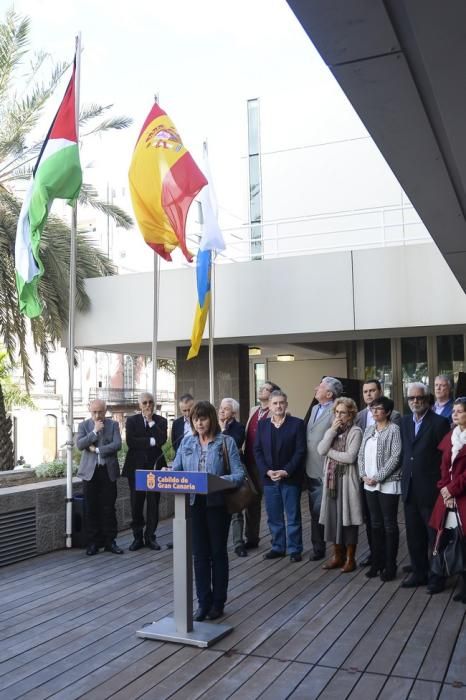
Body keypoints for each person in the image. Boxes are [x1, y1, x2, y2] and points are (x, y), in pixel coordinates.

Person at [172, 401, 244, 621]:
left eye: (203, 418)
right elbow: (177, 470)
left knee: (217, 553)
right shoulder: (186, 442)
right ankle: (203, 602)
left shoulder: (226, 442)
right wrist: (168, 472)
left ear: (211, 419)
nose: (199, 422)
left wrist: (215, 481)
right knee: (199, 555)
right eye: (195, 419)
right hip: (194, 504)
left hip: (217, 504)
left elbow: (239, 475)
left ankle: (218, 602)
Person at [400, 382, 450, 589]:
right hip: (410, 488)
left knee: (435, 538)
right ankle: (419, 572)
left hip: (431, 490)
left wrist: (442, 487)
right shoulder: (404, 422)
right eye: (411, 398)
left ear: (427, 399)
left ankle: (437, 576)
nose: (416, 401)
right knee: (414, 535)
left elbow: (445, 458)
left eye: (419, 397)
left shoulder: (439, 423)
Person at [254, 390, 306, 562]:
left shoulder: (297, 424)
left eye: (281, 402)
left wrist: (286, 471)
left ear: (286, 404)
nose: (278, 406)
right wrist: (267, 471)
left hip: (290, 477)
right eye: (275, 403)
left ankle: (294, 549)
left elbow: (300, 451)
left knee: (292, 516)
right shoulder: (262, 425)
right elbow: (257, 451)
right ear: (269, 405)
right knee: (274, 516)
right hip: (269, 479)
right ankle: (278, 547)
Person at [356, 379, 401, 567]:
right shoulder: (368, 429)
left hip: (387, 484)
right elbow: (360, 455)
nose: (374, 412)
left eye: (378, 409)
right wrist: (363, 475)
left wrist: (378, 477)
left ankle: (390, 565)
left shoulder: (394, 429)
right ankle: (376, 561)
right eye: (372, 409)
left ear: (388, 412)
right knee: (374, 524)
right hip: (368, 484)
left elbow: (396, 456)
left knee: (389, 525)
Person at [318, 397, 363, 573]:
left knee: (349, 520)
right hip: (331, 482)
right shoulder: (332, 430)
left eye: (343, 412)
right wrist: (331, 431)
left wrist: (330, 451)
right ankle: (337, 556)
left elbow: (350, 457)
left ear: (351, 414)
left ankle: (351, 559)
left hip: (347, 481)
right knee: (333, 518)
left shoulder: (356, 431)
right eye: (336, 412)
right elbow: (320, 450)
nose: (339, 415)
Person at [236, 381, 281, 555]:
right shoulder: (254, 410)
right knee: (251, 502)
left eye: (265, 388)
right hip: (250, 462)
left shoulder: (276, 410)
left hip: (268, 465)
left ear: (272, 394)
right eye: (261, 388)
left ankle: (277, 541)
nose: (261, 389)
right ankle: (252, 538)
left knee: (272, 504)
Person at [429, 397, 466, 602]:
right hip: (448, 496)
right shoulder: (452, 435)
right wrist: (444, 489)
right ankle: (440, 575)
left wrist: (452, 490)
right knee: (443, 536)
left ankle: (464, 584)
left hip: (463, 496)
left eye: (460, 411)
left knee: (463, 539)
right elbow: (444, 466)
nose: (455, 414)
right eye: (454, 411)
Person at [304, 376, 343, 561]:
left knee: (331, 511)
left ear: (329, 393)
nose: (315, 388)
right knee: (314, 510)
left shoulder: (337, 410)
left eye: (319, 387)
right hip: (311, 467)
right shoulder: (314, 409)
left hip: (328, 468)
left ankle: (339, 550)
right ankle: (318, 548)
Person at [76, 399, 123, 555]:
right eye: (94, 412)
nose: (97, 415)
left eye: (100, 412)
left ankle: (110, 541)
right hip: (90, 473)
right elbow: (80, 444)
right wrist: (94, 432)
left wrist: (97, 450)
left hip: (107, 471)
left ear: (105, 410)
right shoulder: (84, 426)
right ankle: (93, 543)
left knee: (109, 508)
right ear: (90, 411)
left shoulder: (113, 425)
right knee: (91, 508)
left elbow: (117, 445)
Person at [122, 392, 168, 551]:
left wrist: (151, 423)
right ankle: (137, 537)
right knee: (136, 503)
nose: (148, 405)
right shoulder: (132, 421)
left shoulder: (161, 421)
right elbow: (131, 442)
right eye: (145, 403)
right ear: (139, 405)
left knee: (153, 503)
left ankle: (150, 536)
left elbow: (161, 440)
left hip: (155, 466)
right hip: (135, 467)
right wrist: (151, 441)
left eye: (150, 402)